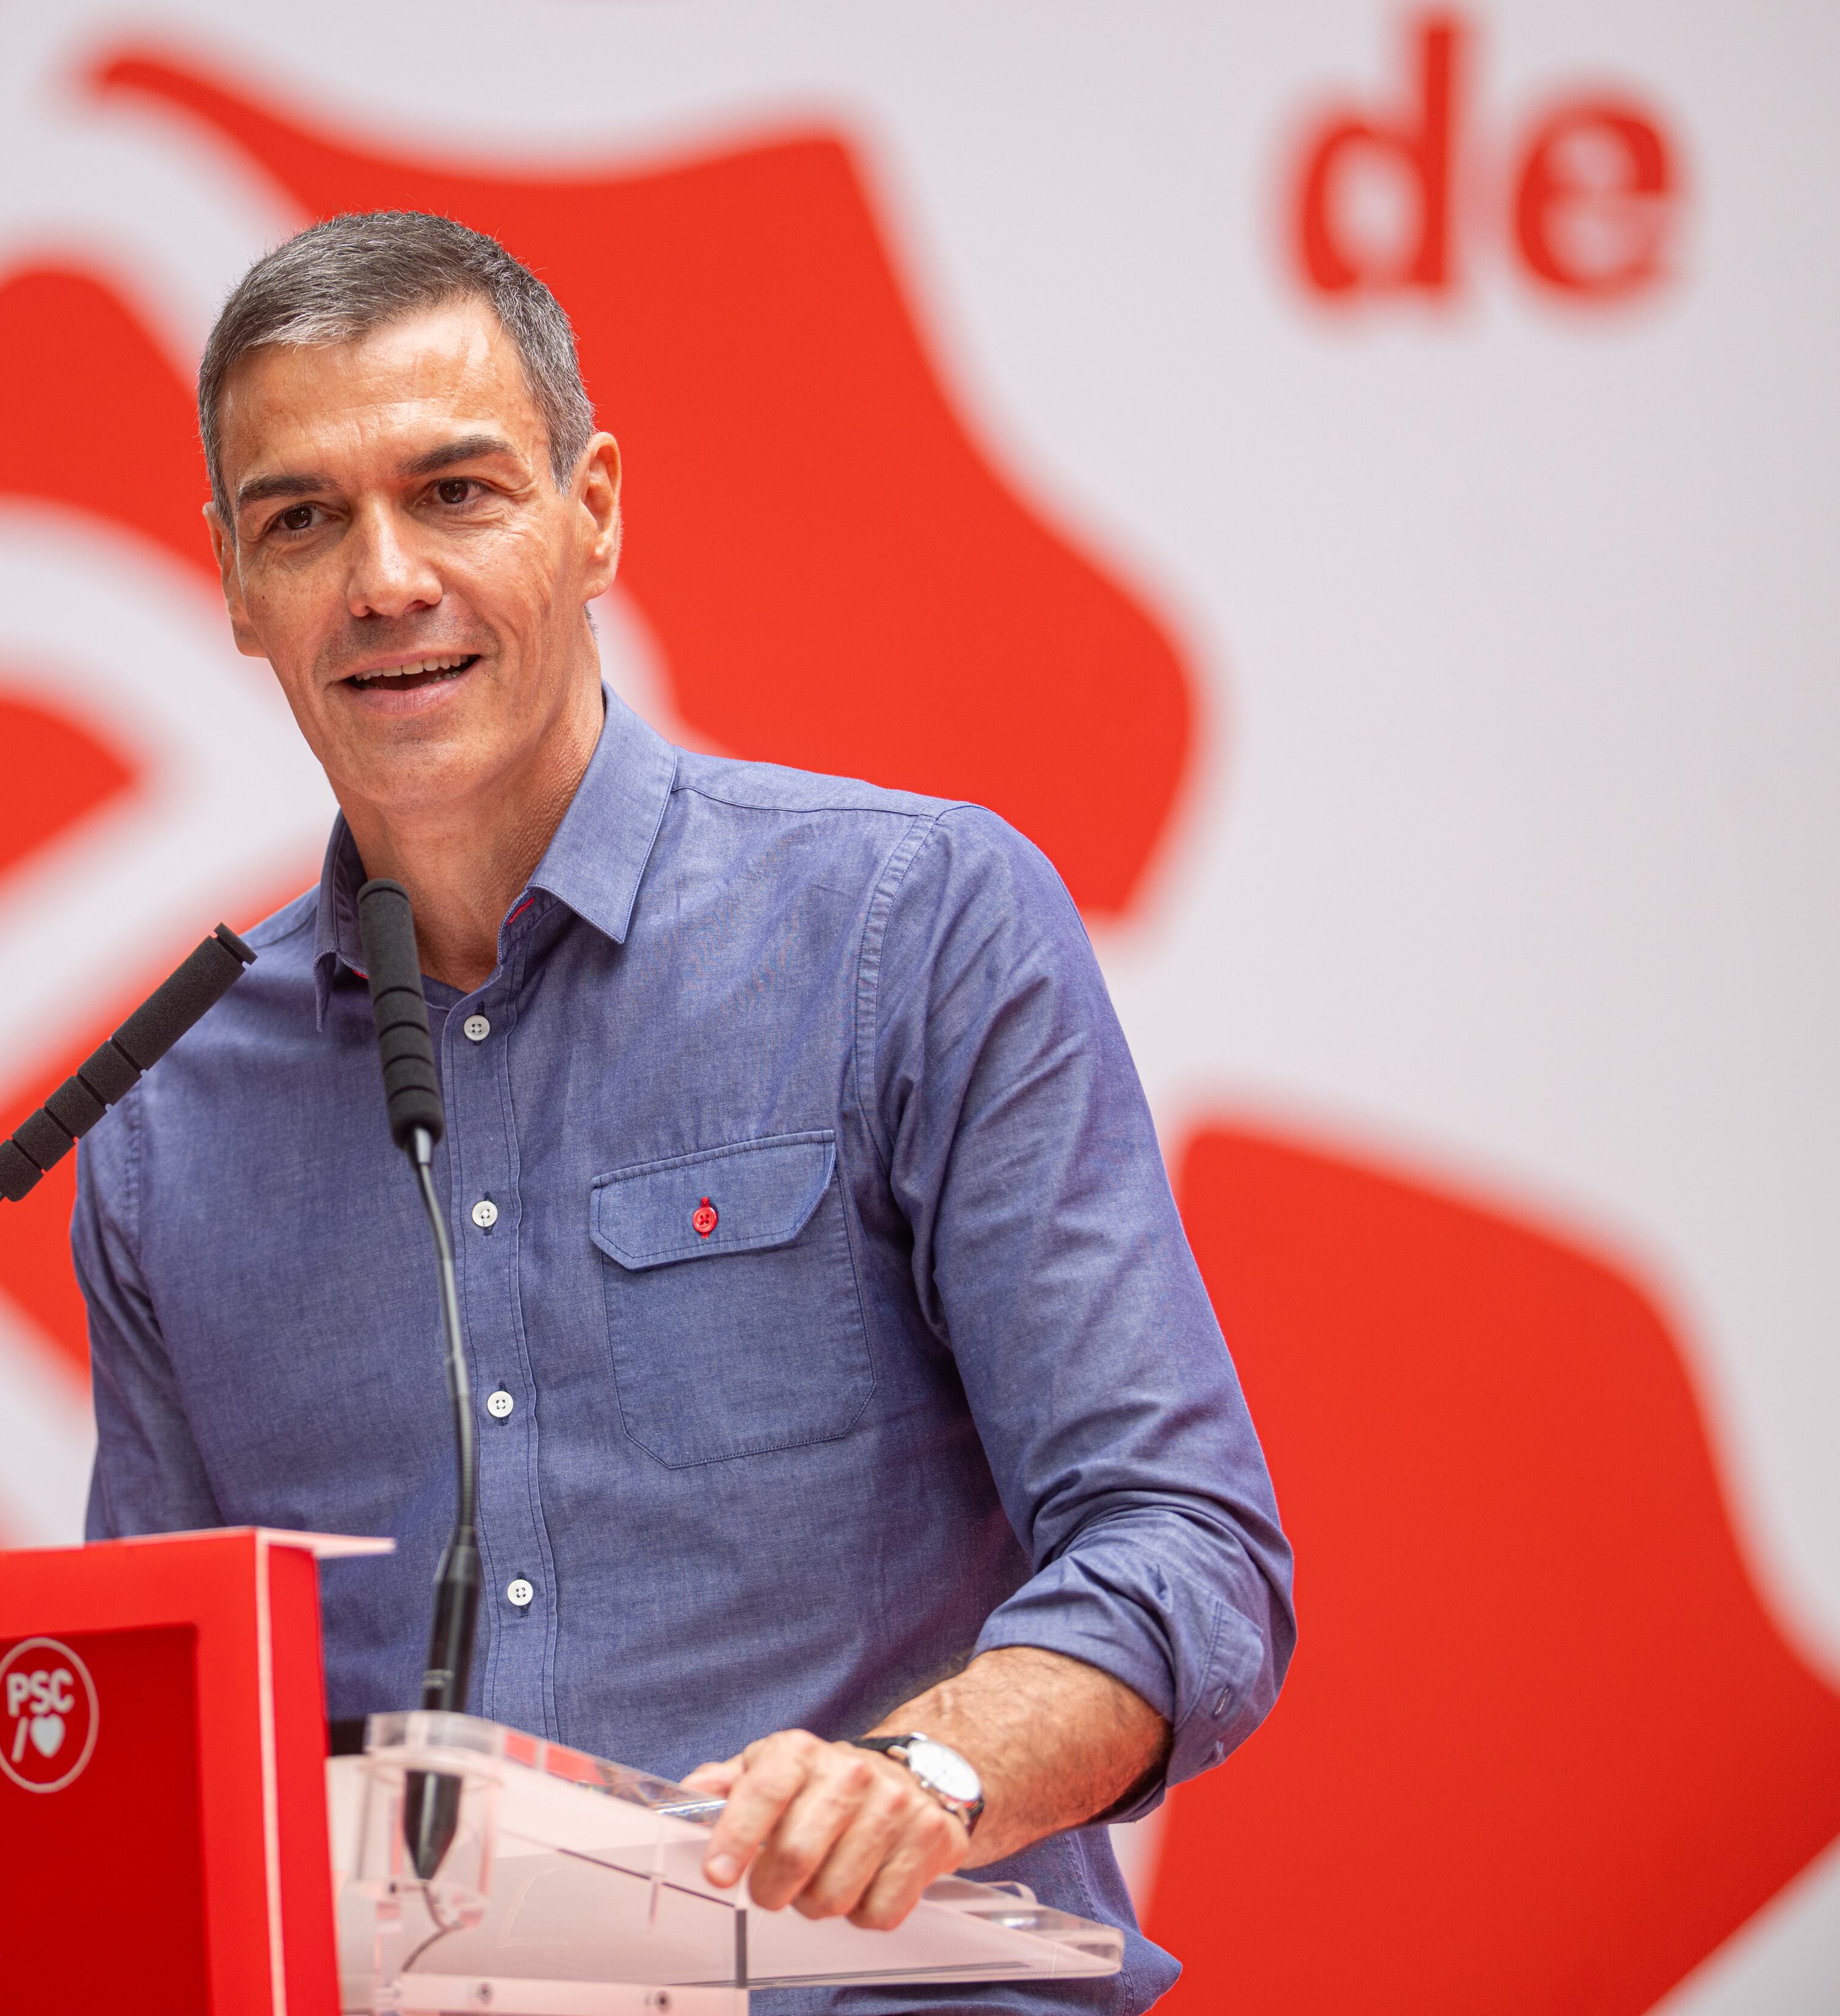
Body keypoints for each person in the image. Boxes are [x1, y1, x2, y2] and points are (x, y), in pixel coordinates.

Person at [73, 210, 1293, 2011]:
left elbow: (1187, 1548)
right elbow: (156, 1743)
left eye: (458, 491)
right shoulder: (169, 1112)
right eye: (303, 519)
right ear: (238, 592)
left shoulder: (916, 928)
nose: (384, 577)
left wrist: (922, 1779)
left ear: (597, 512)